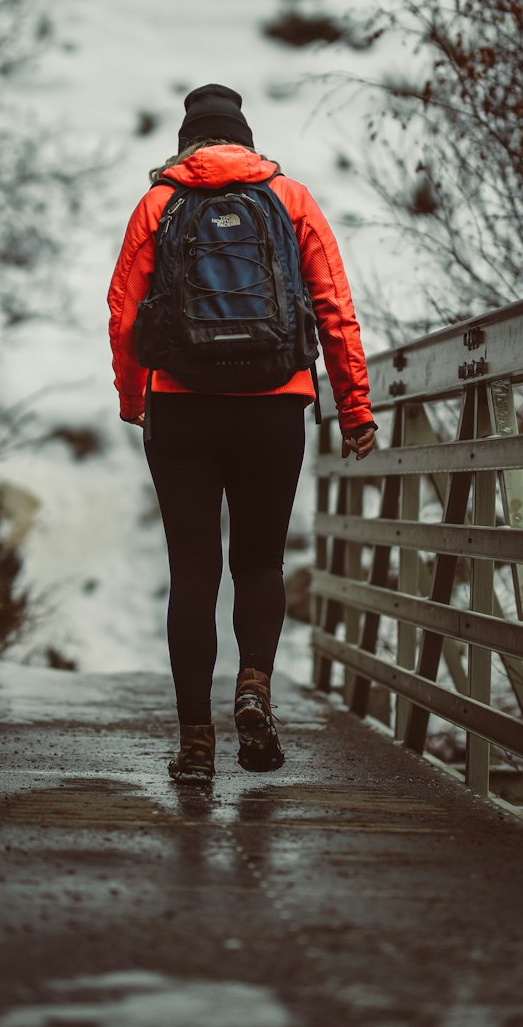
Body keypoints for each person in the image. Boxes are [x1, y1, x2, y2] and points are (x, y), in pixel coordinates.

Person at [108, 83, 377, 784]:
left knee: (193, 570)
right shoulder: (289, 198)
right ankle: (254, 685)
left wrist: (134, 397)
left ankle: (196, 744)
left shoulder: (159, 201)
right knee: (257, 562)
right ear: (246, 140)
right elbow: (335, 308)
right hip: (273, 403)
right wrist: (354, 410)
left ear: (186, 142)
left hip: (182, 405)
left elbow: (123, 310)